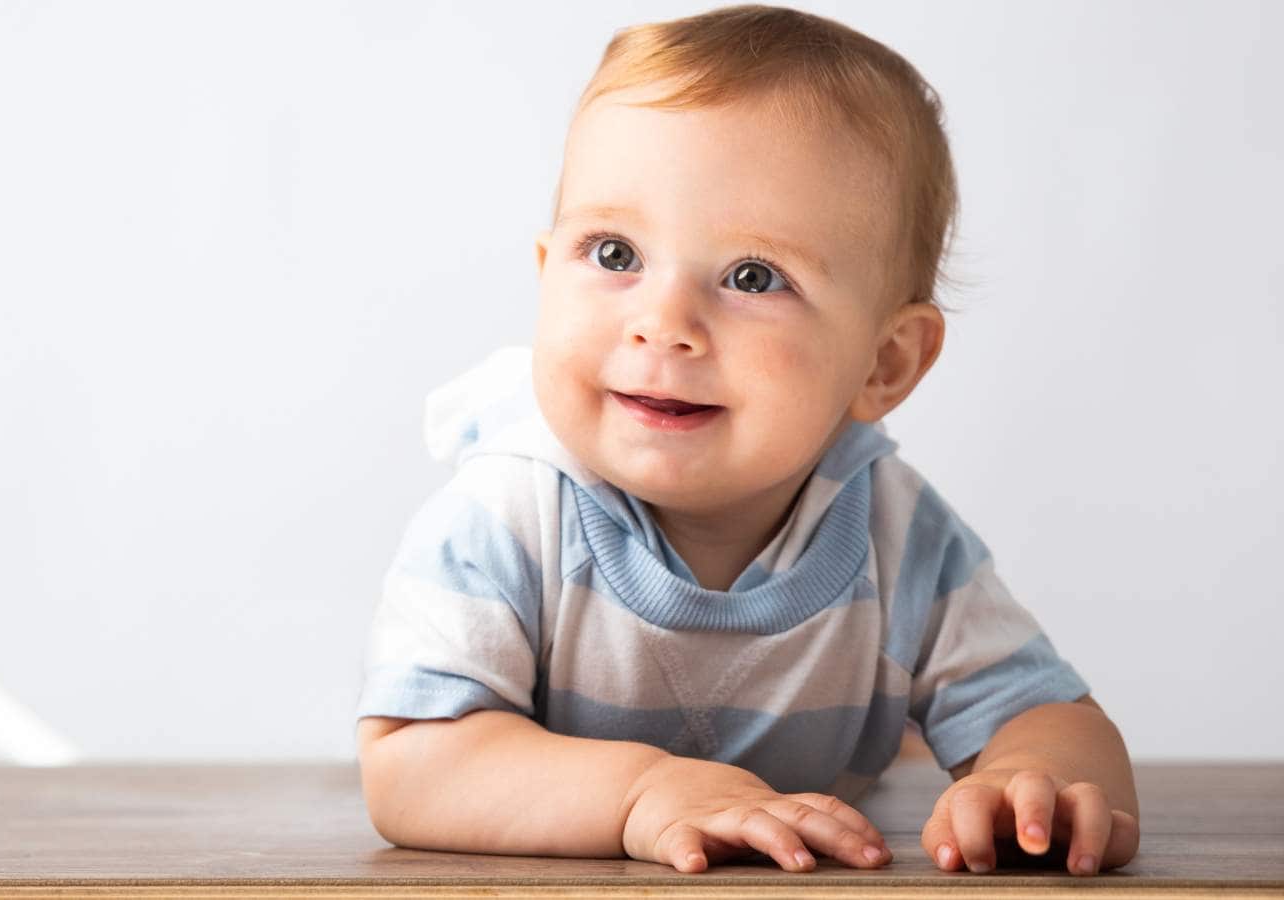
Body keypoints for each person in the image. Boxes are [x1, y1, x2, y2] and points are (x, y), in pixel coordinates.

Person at [353, 3, 1139, 877]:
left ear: (884, 362)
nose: (663, 324)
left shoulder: (894, 532)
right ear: (547, 279)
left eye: (752, 276)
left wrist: (1035, 781)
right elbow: (413, 764)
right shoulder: (510, 512)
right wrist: (641, 793)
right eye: (614, 254)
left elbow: (1049, 714)